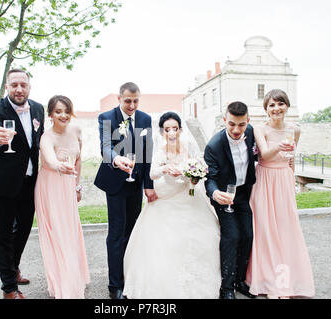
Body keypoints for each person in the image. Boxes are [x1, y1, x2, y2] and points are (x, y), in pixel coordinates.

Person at [123, 112, 221, 299]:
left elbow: (197, 171)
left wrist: (188, 173)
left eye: (175, 129)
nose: (171, 133)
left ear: (180, 130)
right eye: (167, 129)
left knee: (204, 235)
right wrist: (165, 168)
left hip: (187, 195)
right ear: (162, 132)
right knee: (162, 241)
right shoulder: (160, 150)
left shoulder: (187, 148)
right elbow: (151, 174)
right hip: (166, 196)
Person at [246, 89, 315, 299]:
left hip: (284, 180)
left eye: (280, 104)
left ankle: (286, 280)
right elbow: (265, 154)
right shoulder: (260, 129)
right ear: (266, 109)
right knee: (265, 230)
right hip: (265, 179)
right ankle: (267, 280)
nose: (276, 109)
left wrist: (291, 180)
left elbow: (291, 157)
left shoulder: (295, 130)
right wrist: (279, 145)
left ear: (287, 106)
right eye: (272, 105)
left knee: (286, 231)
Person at [0, 69, 45, 299]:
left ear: (29, 86)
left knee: (24, 229)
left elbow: (39, 141)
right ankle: (9, 288)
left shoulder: (38, 108)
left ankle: (13, 267)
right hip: (4, 182)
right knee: (2, 234)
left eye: (23, 85)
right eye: (14, 85)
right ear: (7, 87)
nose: (19, 89)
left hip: (30, 181)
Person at [94, 82, 158, 299]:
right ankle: (115, 285)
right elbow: (104, 147)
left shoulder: (145, 119)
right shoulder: (106, 118)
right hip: (115, 183)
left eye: (135, 100)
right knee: (116, 233)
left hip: (136, 183)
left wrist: (148, 185)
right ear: (119, 99)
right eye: (128, 101)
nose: (132, 105)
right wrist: (116, 158)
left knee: (132, 232)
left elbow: (147, 152)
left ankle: (130, 276)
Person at [34, 95, 90, 299]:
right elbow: (49, 159)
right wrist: (59, 165)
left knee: (71, 231)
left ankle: (76, 276)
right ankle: (62, 283)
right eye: (58, 111)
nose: (63, 115)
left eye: (66, 111)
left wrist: (77, 186)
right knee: (58, 234)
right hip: (50, 187)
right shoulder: (46, 137)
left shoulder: (76, 130)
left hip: (68, 185)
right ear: (50, 114)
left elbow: (78, 159)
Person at [204, 101, 257, 299]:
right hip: (223, 197)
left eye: (241, 124)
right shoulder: (214, 145)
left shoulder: (251, 133)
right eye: (232, 124)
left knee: (248, 235)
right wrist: (215, 193)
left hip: (243, 194)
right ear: (225, 121)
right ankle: (226, 288)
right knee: (232, 236)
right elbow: (210, 178)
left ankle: (240, 280)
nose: (236, 129)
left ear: (248, 122)